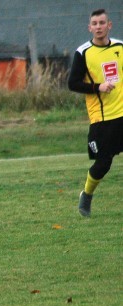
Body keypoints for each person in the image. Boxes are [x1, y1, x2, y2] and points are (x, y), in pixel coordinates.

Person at [68, 8, 123, 217]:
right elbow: (72, 83)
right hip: (102, 118)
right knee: (103, 163)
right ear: (89, 28)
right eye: (95, 24)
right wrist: (97, 87)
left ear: (109, 25)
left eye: (102, 23)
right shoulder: (83, 53)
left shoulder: (120, 47)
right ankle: (87, 195)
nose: (99, 27)